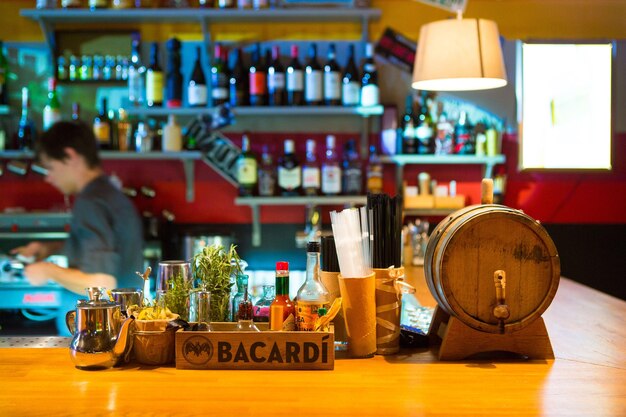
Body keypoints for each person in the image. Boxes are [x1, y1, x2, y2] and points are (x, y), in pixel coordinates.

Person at [11, 120, 144, 335]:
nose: (48, 177)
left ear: (70, 156)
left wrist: (48, 270)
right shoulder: (108, 194)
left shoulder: (91, 202)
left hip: (95, 337)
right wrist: (49, 249)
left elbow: (102, 285)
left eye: (51, 167)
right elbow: (103, 247)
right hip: (116, 330)